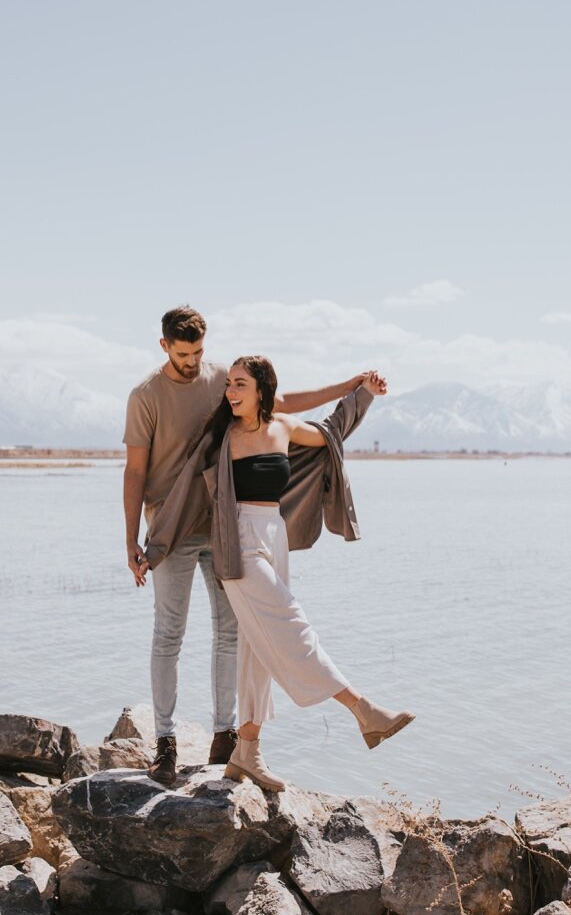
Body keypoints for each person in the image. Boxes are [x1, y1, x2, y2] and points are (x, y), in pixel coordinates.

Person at [123, 306, 384, 786]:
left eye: (199, 352)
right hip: (176, 522)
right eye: (184, 354)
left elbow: (290, 406)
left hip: (229, 529)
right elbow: (136, 470)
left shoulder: (228, 382)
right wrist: (134, 538)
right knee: (170, 634)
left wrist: (352, 388)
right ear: (164, 346)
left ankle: (232, 739)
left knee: (236, 636)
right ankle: (165, 741)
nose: (194, 362)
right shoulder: (147, 395)